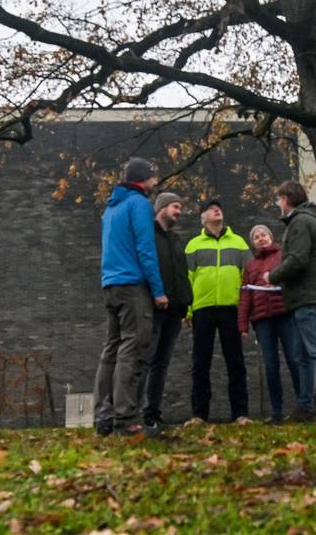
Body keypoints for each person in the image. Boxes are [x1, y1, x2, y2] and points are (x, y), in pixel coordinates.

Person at [92, 157, 168, 437]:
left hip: (110, 285)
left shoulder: (111, 208)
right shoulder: (138, 204)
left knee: (111, 349)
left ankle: (104, 416)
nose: (154, 183)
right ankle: (126, 419)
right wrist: (158, 291)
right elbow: (146, 249)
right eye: (152, 178)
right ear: (142, 179)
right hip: (132, 286)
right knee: (132, 349)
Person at [265, 181, 316, 423]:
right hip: (301, 300)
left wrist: (272, 276)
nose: (278, 203)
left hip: (309, 298)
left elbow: (298, 259)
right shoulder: (305, 221)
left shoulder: (300, 222)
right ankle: (305, 406)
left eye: (279, 199)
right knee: (303, 356)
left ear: (287, 199)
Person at [185, 198, 251, 423]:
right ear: (202, 218)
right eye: (211, 209)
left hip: (231, 308)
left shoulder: (240, 243)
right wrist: (188, 311)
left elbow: (249, 277)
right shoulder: (193, 245)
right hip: (202, 309)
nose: (216, 210)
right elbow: (187, 279)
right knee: (200, 363)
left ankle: (241, 414)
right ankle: (199, 415)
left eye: (219, 208)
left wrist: (246, 309)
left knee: (236, 362)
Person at [138, 191, 193, 432]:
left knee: (162, 363)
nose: (179, 212)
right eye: (175, 207)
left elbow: (181, 274)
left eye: (180, 207)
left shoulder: (176, 239)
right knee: (145, 360)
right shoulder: (147, 235)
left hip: (175, 310)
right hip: (154, 308)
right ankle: (136, 414)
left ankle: (153, 414)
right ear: (161, 208)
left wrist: (184, 305)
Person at [238, 223, 303, 423]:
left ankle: (304, 404)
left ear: (270, 237)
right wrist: (243, 324)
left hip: (284, 314)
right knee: (270, 365)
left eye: (263, 234)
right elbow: (245, 295)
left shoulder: (283, 256)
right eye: (256, 237)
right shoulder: (250, 266)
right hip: (262, 319)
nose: (260, 238)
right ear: (253, 243)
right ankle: (276, 411)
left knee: (294, 359)